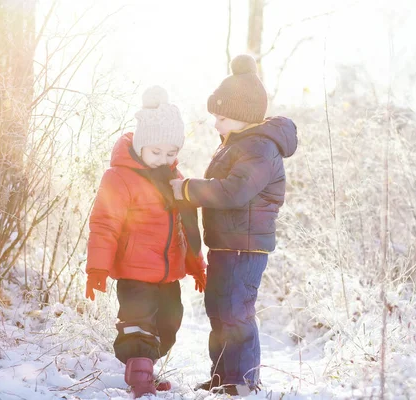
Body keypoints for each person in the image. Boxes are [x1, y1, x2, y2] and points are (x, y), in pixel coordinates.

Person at [170, 54, 298, 396]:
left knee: (236, 312)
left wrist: (188, 189)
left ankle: (243, 381)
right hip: (227, 243)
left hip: (245, 246)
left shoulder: (259, 149)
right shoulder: (236, 144)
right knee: (219, 310)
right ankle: (223, 376)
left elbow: (235, 191)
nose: (216, 125)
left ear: (243, 117)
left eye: (222, 117)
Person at [85, 86, 206, 398]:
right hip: (134, 271)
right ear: (140, 146)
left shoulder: (174, 180)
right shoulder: (119, 177)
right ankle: (140, 378)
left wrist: (196, 266)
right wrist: (97, 268)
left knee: (168, 325)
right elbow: (104, 223)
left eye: (171, 153)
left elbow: (186, 227)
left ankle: (144, 367)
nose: (163, 159)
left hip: (168, 275)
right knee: (137, 324)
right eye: (156, 152)